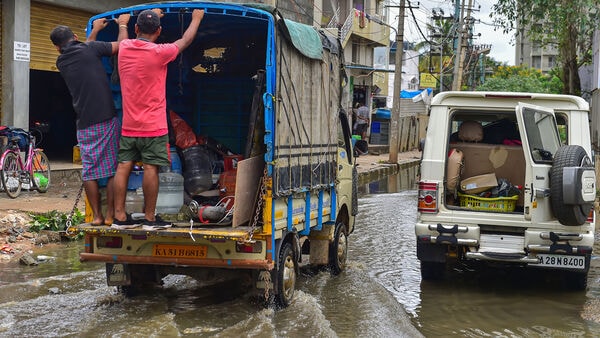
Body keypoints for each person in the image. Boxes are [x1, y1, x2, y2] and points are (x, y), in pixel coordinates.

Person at [112, 8, 205, 227]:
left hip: (129, 126)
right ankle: (150, 218)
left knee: (123, 166)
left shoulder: (124, 48)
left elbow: (123, 38)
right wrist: (197, 18)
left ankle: (119, 217)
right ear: (160, 31)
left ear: (136, 28)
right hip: (153, 127)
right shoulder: (160, 52)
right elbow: (185, 40)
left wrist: (122, 25)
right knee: (151, 168)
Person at [50, 14, 131, 226]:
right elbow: (122, 45)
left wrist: (94, 30)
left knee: (90, 171)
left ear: (58, 48)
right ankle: (111, 214)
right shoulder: (90, 50)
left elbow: (84, 47)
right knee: (112, 169)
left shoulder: (62, 61)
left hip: (84, 122)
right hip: (105, 117)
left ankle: (97, 216)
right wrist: (122, 24)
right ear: (75, 36)